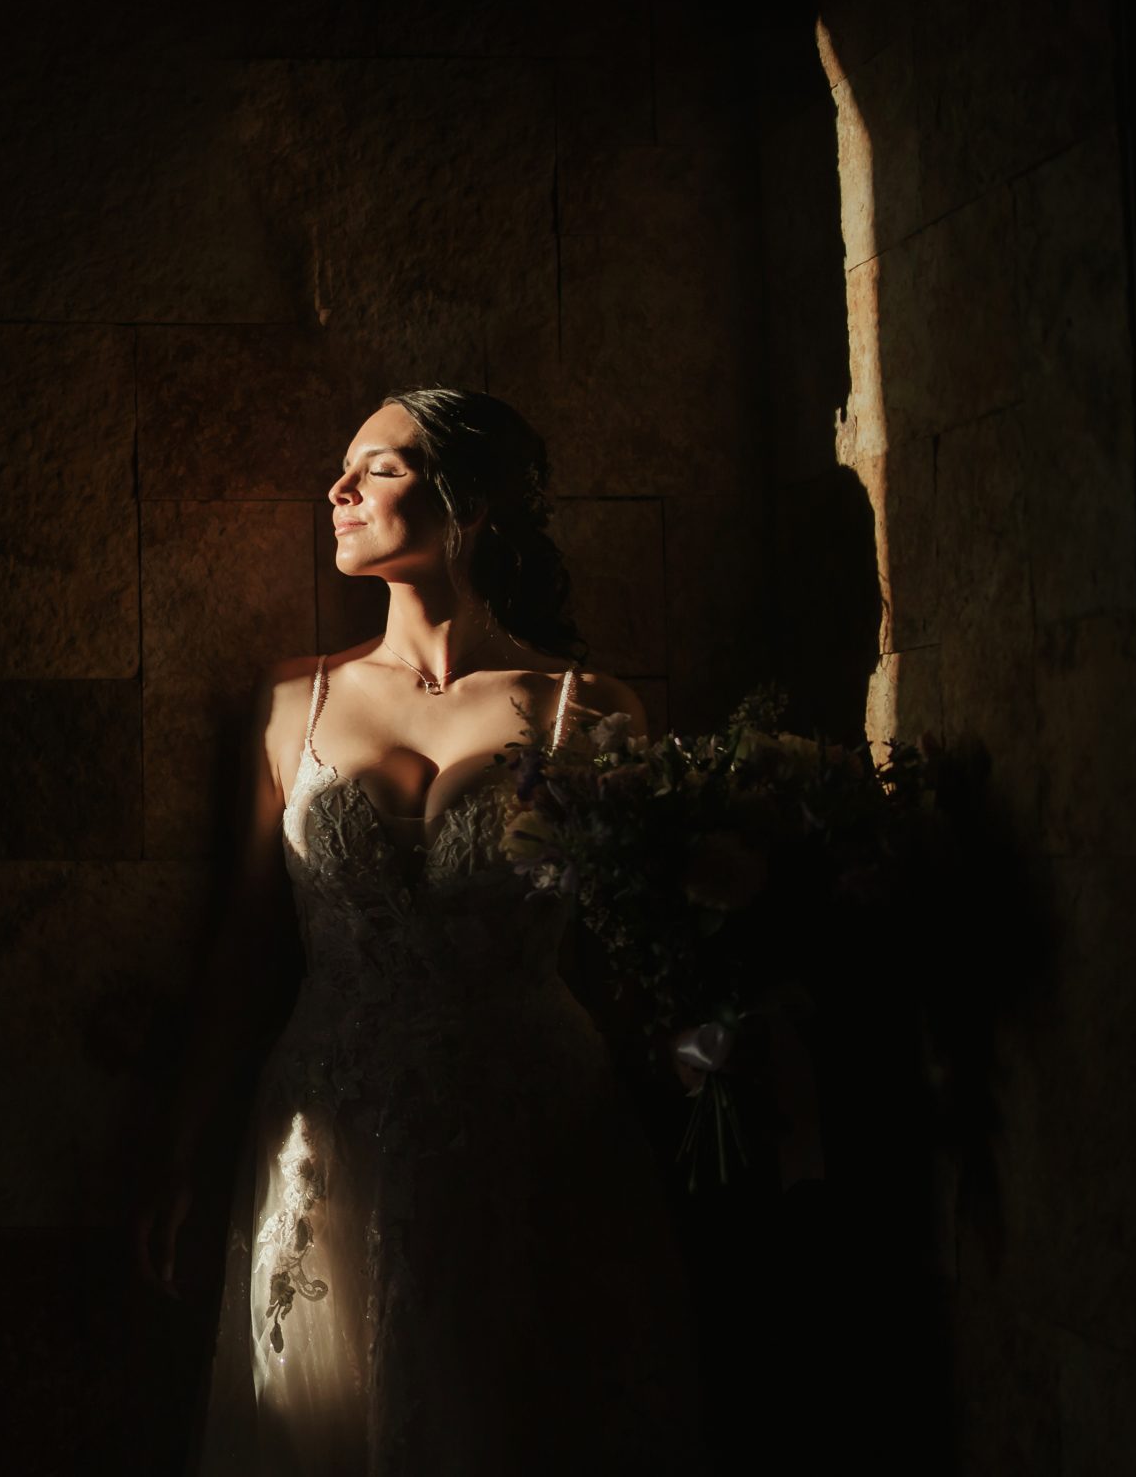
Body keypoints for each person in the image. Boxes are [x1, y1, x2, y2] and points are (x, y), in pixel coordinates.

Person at [138, 387, 704, 1473]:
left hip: (534, 1126)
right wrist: (179, 1149)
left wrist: (705, 1071)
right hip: (331, 1131)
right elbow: (247, 947)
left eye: (379, 469)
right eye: (343, 469)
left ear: (469, 504)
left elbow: (629, 949)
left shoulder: (588, 709)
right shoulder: (291, 702)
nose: (338, 490)